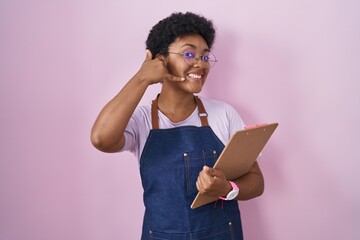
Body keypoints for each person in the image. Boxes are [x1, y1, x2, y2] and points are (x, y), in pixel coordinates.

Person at [91, 12, 264, 240]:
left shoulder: (223, 114)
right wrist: (142, 78)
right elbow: (101, 139)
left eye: (204, 56)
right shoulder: (141, 120)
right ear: (159, 60)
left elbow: (256, 181)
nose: (200, 64)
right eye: (189, 53)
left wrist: (227, 188)